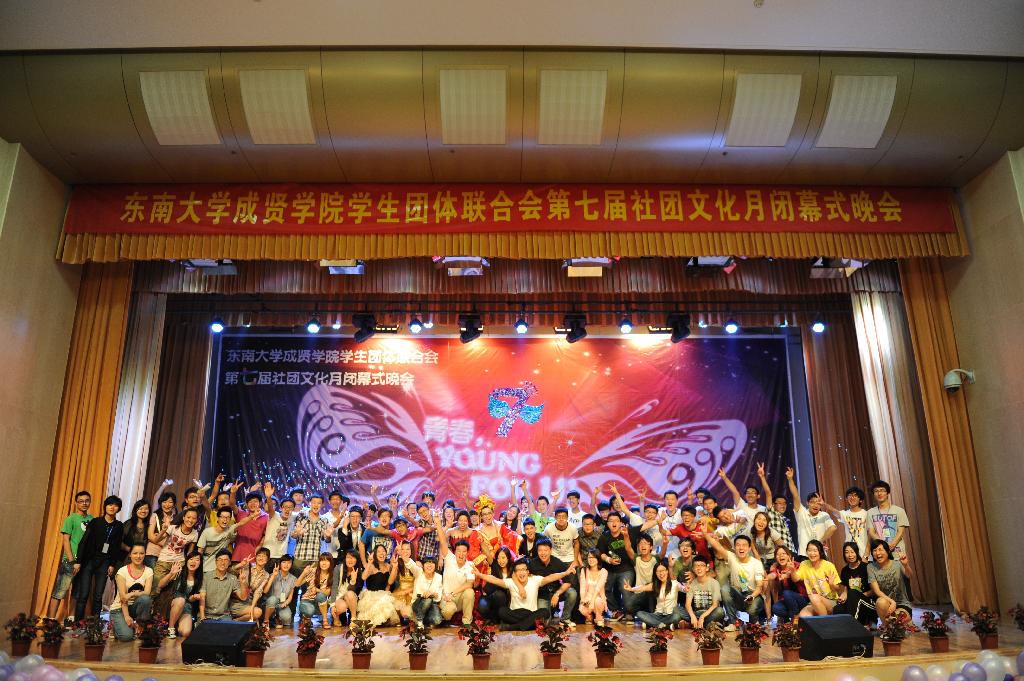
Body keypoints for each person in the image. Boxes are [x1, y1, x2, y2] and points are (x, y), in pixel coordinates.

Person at [473, 558, 575, 631]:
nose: (521, 573)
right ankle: (527, 625)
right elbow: (495, 580)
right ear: (515, 573)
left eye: (523, 570)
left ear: (528, 571)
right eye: (518, 570)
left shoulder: (535, 580)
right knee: (502, 611)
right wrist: (479, 574)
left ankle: (513, 627)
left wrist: (565, 573)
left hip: (530, 613)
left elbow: (551, 577)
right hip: (516, 613)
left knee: (544, 612)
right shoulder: (511, 582)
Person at [73, 495, 125, 621]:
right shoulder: (95, 522)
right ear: (105, 506)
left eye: (115, 505)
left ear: (118, 508)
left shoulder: (119, 526)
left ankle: (94, 624)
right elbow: (83, 542)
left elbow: (116, 547)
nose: (112, 507)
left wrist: (112, 564)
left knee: (98, 596)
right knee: (83, 594)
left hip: (104, 562)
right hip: (89, 561)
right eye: (110, 504)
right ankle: (77, 623)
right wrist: (78, 561)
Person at [47, 490, 93, 620]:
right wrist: (72, 561)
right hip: (70, 561)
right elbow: (66, 540)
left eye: (87, 501)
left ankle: (70, 618)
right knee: (60, 590)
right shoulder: (70, 519)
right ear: (76, 503)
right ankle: (51, 620)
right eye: (81, 501)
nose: (84, 503)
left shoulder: (92, 519)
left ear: (90, 502)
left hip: (84, 562)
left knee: (77, 592)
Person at [705, 533, 766, 628]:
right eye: (738, 545)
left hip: (754, 595)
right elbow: (717, 546)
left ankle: (754, 622)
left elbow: (759, 587)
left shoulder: (756, 563)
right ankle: (733, 623)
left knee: (752, 611)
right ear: (734, 548)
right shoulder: (732, 557)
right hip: (738, 594)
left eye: (744, 545)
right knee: (725, 589)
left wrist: (752, 596)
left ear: (749, 548)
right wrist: (705, 533)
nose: (741, 548)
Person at [785, 467, 836, 556]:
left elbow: (833, 528)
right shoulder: (802, 513)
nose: (815, 505)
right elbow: (795, 495)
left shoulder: (824, 515)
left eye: (818, 503)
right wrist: (790, 479)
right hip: (804, 555)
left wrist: (820, 541)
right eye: (812, 502)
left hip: (820, 554)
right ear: (807, 503)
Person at [151, 507, 201, 596]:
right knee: (156, 586)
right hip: (164, 559)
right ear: (183, 517)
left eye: (194, 518)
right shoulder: (173, 528)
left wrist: (187, 564)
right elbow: (155, 540)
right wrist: (163, 530)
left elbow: (189, 552)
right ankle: (151, 603)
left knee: (172, 588)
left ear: (196, 520)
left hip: (179, 562)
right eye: (188, 517)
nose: (190, 520)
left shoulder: (195, 533)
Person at [529, 537, 578, 628]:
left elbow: (568, 582)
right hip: (542, 595)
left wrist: (557, 594)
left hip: (556, 592)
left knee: (572, 593)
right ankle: (551, 615)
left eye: (545, 550)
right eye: (540, 550)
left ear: (551, 550)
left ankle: (565, 618)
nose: (543, 553)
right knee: (545, 624)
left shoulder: (557, 562)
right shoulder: (532, 564)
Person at [109, 543, 154, 641]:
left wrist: (132, 593)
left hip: (135, 607)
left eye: (141, 553)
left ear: (145, 554)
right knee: (126, 637)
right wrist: (126, 616)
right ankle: (115, 625)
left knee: (146, 599)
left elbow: (147, 592)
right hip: (120, 608)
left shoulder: (149, 571)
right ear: (130, 554)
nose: (138, 556)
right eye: (135, 553)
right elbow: (123, 597)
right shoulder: (122, 571)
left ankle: (140, 627)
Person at [597, 512, 635, 620]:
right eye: (611, 521)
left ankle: (629, 612)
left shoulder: (626, 534)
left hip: (626, 568)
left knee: (625, 589)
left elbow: (633, 552)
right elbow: (600, 553)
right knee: (604, 588)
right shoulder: (604, 537)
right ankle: (616, 610)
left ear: (621, 523)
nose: (614, 523)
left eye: (616, 521)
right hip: (609, 569)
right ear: (607, 523)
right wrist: (609, 560)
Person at [200, 549, 258, 621]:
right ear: (215, 561)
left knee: (229, 627)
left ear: (230, 562)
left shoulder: (232, 578)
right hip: (207, 614)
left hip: (223, 615)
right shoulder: (206, 576)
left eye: (226, 560)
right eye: (220, 560)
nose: (222, 563)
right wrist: (202, 616)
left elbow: (243, 597)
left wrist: (242, 583)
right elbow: (202, 597)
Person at [628, 560, 685, 629]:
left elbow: (682, 588)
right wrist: (631, 589)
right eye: (658, 571)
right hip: (657, 615)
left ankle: (653, 624)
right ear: (655, 573)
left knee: (676, 617)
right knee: (639, 613)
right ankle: (665, 626)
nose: (661, 573)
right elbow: (642, 587)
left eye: (663, 570)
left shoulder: (674, 583)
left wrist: (685, 588)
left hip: (670, 615)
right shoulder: (655, 585)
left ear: (667, 571)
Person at [793, 539, 842, 617]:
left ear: (820, 552)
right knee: (803, 616)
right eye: (809, 550)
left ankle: (825, 622)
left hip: (831, 601)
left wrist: (831, 584)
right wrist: (792, 570)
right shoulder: (804, 564)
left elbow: (837, 589)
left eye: (815, 551)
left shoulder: (828, 565)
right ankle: (823, 618)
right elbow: (795, 579)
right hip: (814, 601)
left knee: (814, 597)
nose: (812, 553)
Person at [867, 539, 914, 619]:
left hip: (902, 603)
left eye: (880, 550)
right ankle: (886, 624)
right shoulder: (871, 567)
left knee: (898, 620)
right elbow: (877, 591)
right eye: (874, 550)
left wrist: (906, 565)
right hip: (886, 603)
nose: (877, 553)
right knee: (880, 602)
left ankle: (894, 622)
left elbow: (909, 576)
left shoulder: (897, 564)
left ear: (888, 551)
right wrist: (892, 602)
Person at [198, 506, 255, 572]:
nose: (225, 520)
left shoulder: (229, 531)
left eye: (228, 517)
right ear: (218, 518)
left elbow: (241, 523)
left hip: (221, 569)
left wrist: (252, 516)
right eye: (222, 517)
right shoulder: (207, 532)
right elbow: (200, 552)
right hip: (206, 569)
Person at [834, 541, 877, 627]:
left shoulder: (866, 567)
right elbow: (846, 589)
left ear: (857, 552)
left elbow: (874, 590)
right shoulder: (844, 570)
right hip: (853, 601)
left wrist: (858, 596)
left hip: (869, 602)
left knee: (853, 593)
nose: (850, 555)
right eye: (847, 552)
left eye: (852, 552)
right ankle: (841, 630)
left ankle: (853, 627)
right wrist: (843, 595)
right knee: (837, 608)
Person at [357, 543, 400, 626]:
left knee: (387, 601)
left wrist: (394, 567)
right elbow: (363, 577)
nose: (381, 553)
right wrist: (369, 563)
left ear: (386, 554)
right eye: (379, 551)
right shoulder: (372, 566)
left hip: (385, 594)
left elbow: (390, 582)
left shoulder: (388, 566)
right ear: (375, 554)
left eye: (383, 551)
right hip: (372, 596)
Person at [823, 487, 871, 562]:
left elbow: (870, 536)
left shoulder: (866, 514)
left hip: (864, 553)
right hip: (850, 553)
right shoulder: (845, 514)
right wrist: (824, 504)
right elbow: (834, 511)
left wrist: (866, 555)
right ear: (846, 498)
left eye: (855, 495)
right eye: (850, 495)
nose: (852, 497)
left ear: (860, 500)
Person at [291, 494, 335, 575]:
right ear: (309, 503)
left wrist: (328, 536)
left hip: (315, 559)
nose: (316, 505)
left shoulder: (324, 520)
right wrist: (296, 533)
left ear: (322, 505)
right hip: (300, 558)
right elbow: (293, 536)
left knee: (312, 583)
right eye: (314, 502)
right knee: (296, 582)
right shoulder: (301, 517)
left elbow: (327, 540)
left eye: (319, 503)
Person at [756, 463, 795, 552]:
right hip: (779, 552)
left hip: (791, 551)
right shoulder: (771, 512)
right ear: (773, 505)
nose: (783, 505)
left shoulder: (785, 519)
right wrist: (762, 477)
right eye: (779, 503)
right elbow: (768, 493)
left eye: (784, 503)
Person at [165, 547, 203, 639]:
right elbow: (160, 585)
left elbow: (189, 599)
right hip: (173, 603)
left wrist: (193, 597)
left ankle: (177, 623)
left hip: (187, 608)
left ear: (200, 563)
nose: (193, 561)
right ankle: (171, 628)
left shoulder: (200, 579)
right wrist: (171, 573)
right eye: (191, 559)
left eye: (197, 559)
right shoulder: (179, 572)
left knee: (185, 632)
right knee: (181, 600)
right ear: (187, 561)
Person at [867, 481, 910, 560]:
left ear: (888, 493)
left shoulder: (899, 510)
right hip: (880, 553)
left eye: (882, 490)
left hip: (897, 551)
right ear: (873, 494)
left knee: (899, 567)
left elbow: (900, 532)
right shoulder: (870, 512)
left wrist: (892, 544)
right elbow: (871, 532)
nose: (879, 493)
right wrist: (884, 546)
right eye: (876, 491)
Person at [438, 537, 476, 626]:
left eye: (464, 551)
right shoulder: (449, 558)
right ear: (454, 552)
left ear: (467, 553)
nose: (461, 554)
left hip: (459, 599)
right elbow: (443, 541)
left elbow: (469, 584)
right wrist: (439, 527)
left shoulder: (470, 565)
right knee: (449, 610)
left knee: (470, 592)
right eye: (458, 551)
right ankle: (443, 618)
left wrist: (453, 593)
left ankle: (467, 622)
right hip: (446, 598)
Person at [681, 555, 726, 628]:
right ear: (693, 569)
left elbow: (715, 604)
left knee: (720, 611)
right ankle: (705, 624)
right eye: (696, 566)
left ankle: (694, 624)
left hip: (710, 613)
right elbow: (687, 604)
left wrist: (702, 617)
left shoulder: (714, 583)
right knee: (676, 610)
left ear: (707, 568)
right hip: (696, 614)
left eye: (702, 565)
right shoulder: (692, 584)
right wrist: (692, 616)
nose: (699, 568)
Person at [765, 546, 807, 621]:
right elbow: (773, 574)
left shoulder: (797, 565)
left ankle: (794, 619)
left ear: (789, 556)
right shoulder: (777, 569)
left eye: (783, 553)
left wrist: (790, 572)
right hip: (789, 602)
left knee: (787, 593)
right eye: (778, 554)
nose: (781, 556)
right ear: (776, 558)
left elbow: (796, 578)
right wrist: (767, 577)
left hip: (801, 599)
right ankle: (790, 618)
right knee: (776, 608)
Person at [622, 534, 659, 621]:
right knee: (628, 606)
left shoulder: (655, 559)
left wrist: (664, 544)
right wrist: (626, 535)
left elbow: (662, 554)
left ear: (651, 547)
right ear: (638, 547)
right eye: (641, 544)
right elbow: (628, 548)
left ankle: (651, 617)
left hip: (653, 592)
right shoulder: (636, 559)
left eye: (645, 543)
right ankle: (643, 614)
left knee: (650, 594)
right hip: (639, 592)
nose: (643, 545)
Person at [297, 552, 335, 627]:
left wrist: (317, 590)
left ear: (330, 563)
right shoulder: (313, 571)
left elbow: (327, 593)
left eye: (327, 561)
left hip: (320, 603)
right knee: (310, 610)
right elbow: (297, 584)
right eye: (322, 560)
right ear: (319, 562)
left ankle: (325, 620)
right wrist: (304, 573)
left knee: (321, 595)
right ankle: (306, 618)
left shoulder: (332, 575)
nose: (324, 563)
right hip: (307, 600)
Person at [478, 547, 514, 623]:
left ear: (508, 558)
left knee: (499, 595)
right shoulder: (495, 565)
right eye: (498, 558)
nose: (501, 561)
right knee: (482, 606)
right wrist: (482, 542)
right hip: (489, 595)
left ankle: (498, 618)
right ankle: (491, 618)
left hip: (503, 599)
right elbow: (487, 553)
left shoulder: (513, 569)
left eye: (503, 558)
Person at [233, 490, 270, 563]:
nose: (252, 504)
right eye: (250, 501)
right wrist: (233, 493)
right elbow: (232, 504)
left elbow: (265, 535)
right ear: (246, 504)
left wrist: (260, 545)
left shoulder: (266, 517)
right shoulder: (241, 514)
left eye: (255, 501)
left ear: (260, 503)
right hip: (237, 555)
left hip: (254, 556)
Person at [263, 554, 298, 629]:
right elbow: (265, 591)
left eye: (289, 563)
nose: (286, 565)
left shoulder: (293, 579)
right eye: (284, 562)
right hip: (270, 602)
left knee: (287, 619)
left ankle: (276, 618)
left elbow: (290, 597)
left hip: (282, 603)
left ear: (291, 564)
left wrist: (286, 603)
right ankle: (266, 621)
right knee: (273, 599)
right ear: (280, 564)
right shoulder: (273, 574)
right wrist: (273, 576)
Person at [330, 549, 363, 626]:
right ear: (345, 558)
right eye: (348, 557)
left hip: (352, 597)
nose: (350, 560)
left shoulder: (359, 571)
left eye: (353, 558)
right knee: (342, 607)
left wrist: (353, 581)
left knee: (350, 593)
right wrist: (332, 605)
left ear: (357, 560)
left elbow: (355, 591)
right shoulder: (338, 568)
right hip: (340, 596)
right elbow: (334, 587)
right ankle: (335, 616)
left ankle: (353, 618)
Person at [146, 491, 177, 570]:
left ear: (174, 504)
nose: (167, 505)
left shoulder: (176, 518)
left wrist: (157, 537)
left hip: (168, 555)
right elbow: (150, 536)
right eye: (164, 502)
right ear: (160, 503)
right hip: (153, 552)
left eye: (170, 502)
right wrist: (165, 543)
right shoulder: (155, 515)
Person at [577, 548, 608, 626]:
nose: (591, 559)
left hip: (598, 597)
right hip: (588, 597)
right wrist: (583, 599)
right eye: (589, 557)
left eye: (594, 557)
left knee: (597, 601)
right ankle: (589, 617)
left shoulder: (603, 571)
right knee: (582, 609)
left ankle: (599, 617)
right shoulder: (584, 570)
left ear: (598, 559)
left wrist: (592, 602)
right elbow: (582, 587)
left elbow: (598, 588)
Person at [411, 555, 444, 627]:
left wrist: (433, 594)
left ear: (435, 565)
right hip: (418, 602)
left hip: (432, 604)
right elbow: (419, 594)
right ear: (423, 565)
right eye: (427, 563)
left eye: (432, 563)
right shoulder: (419, 574)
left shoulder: (439, 577)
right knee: (427, 599)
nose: (429, 565)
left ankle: (422, 618)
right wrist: (431, 594)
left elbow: (438, 596)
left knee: (437, 620)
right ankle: (419, 620)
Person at [120, 501, 151, 565]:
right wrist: (131, 550)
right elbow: (119, 540)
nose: (143, 511)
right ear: (135, 510)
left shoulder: (149, 525)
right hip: (125, 558)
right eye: (140, 509)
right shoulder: (128, 524)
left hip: (142, 560)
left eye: (146, 509)